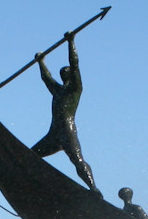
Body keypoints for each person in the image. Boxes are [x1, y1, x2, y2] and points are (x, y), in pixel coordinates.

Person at [31, 33, 100, 196]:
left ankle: (94, 189)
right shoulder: (57, 91)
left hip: (67, 132)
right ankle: (33, 185)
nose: (62, 73)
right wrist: (41, 62)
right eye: (61, 72)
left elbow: (74, 64)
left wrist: (71, 42)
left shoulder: (75, 89)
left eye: (65, 71)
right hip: (53, 134)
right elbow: (46, 78)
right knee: (29, 156)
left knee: (77, 160)